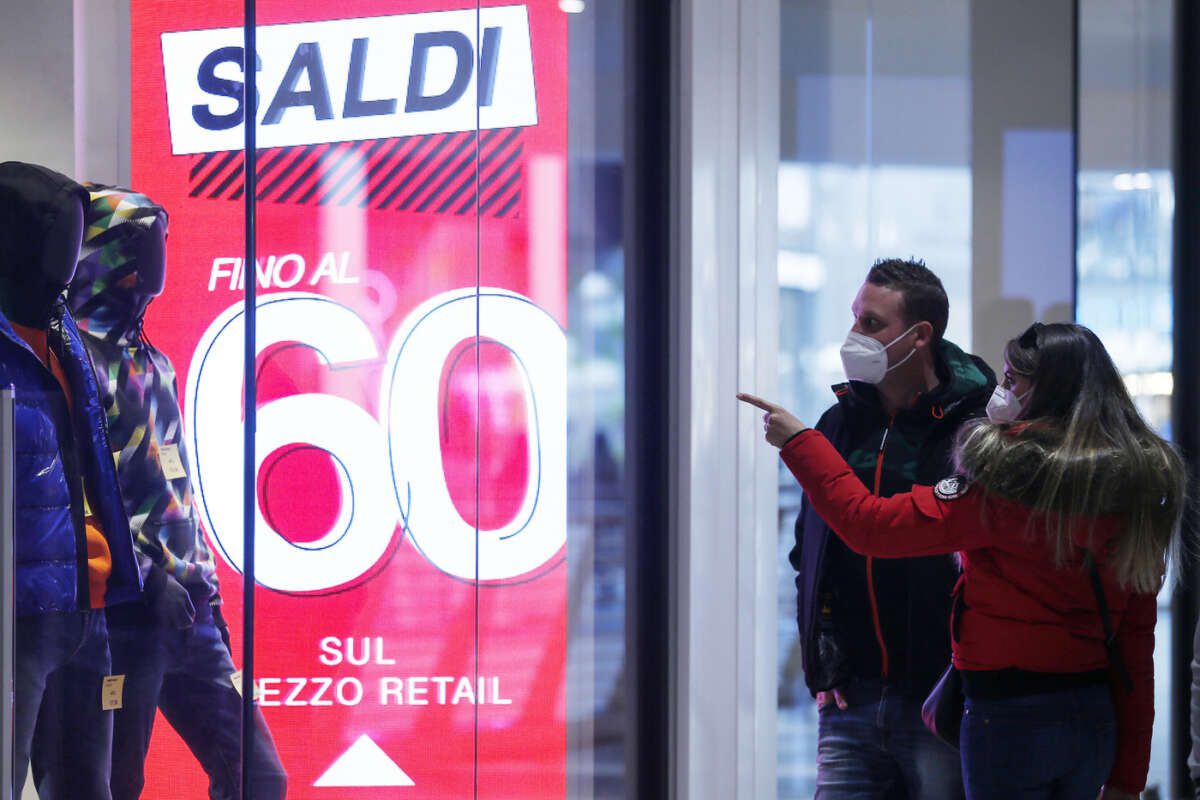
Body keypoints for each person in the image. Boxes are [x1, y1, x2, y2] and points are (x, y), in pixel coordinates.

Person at [740, 321, 1183, 800]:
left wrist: (800, 442)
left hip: (1008, 718)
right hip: (1093, 718)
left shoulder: (1005, 486)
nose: (1000, 390)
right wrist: (1127, 780)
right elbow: (1135, 647)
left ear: (1048, 391)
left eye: (1012, 379)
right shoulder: (1134, 494)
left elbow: (870, 525)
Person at [68, 185, 288, 800]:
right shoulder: (72, 363)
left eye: (158, 239)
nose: (155, 258)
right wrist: (142, 580)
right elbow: (75, 497)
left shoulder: (152, 362)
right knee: (115, 782)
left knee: (259, 777)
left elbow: (175, 489)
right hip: (124, 615)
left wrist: (205, 586)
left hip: (192, 611)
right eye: (141, 241)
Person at [789, 258, 992, 798]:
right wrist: (823, 659)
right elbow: (810, 552)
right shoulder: (838, 423)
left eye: (871, 323)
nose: (854, 334)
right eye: (855, 317)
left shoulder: (976, 432)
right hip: (850, 700)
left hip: (941, 701)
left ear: (919, 336)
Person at [0, 161, 143, 798]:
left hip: (87, 601)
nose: (69, 252)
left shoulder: (63, 330)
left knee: (89, 787)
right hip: (18, 613)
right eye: (55, 231)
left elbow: (89, 458)